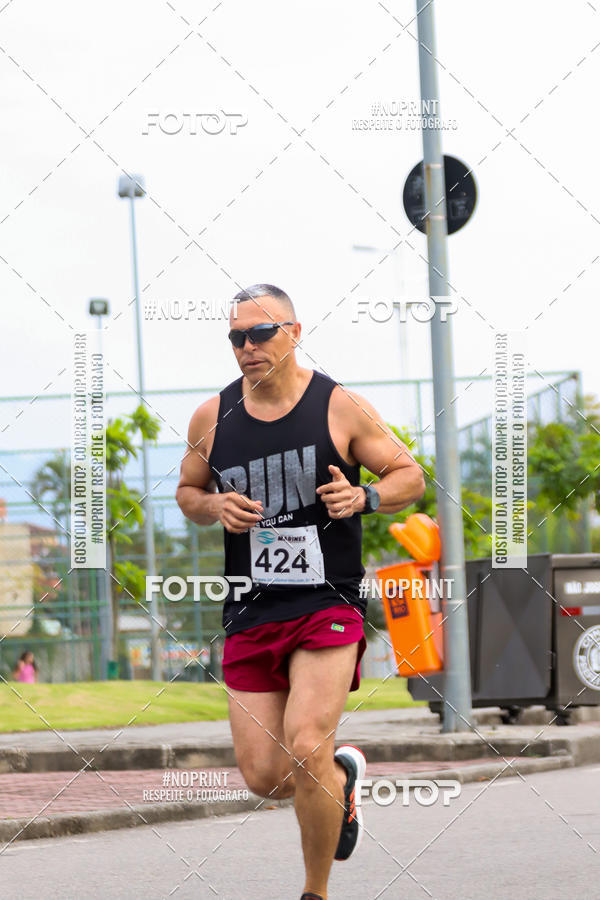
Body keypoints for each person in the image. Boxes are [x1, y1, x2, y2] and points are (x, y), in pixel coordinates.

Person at [176, 284, 425, 900]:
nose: (247, 347)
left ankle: (315, 891)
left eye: (260, 333)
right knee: (265, 775)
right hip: (252, 605)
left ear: (295, 331)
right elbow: (186, 492)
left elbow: (409, 475)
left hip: (327, 602)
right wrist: (214, 505)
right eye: (236, 336)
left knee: (307, 741)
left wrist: (364, 496)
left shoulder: (338, 407)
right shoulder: (212, 417)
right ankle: (339, 778)